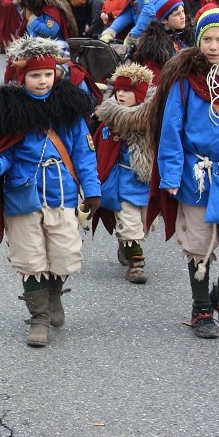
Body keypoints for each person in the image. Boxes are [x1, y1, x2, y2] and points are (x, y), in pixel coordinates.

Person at [0, 36, 100, 348]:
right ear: (21, 78)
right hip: (23, 195)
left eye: (47, 74)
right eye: (34, 75)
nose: (42, 81)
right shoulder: (11, 112)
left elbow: (83, 153)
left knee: (64, 255)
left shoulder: (68, 110)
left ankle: (55, 294)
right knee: (30, 258)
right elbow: (5, 153)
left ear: (56, 74)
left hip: (62, 195)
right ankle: (39, 316)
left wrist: (92, 190)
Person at [149, 8, 219, 339]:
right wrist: (169, 176)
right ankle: (201, 309)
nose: (214, 46)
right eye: (207, 39)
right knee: (199, 242)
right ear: (198, 42)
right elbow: (171, 131)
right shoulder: (184, 84)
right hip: (194, 174)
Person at [92, 63, 155, 284]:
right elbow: (101, 149)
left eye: (127, 90)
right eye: (118, 89)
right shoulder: (110, 118)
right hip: (122, 181)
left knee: (145, 224)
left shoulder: (153, 119)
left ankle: (127, 245)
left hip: (146, 182)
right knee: (129, 224)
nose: (121, 94)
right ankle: (136, 263)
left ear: (139, 93)